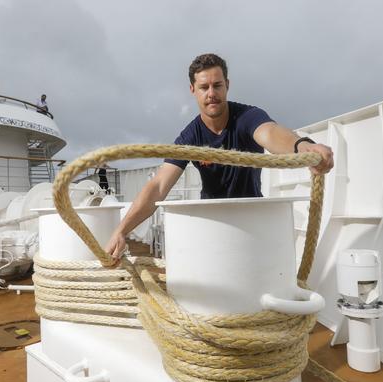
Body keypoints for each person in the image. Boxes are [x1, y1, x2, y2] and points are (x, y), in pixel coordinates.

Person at [105, 53, 334, 261]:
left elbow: (270, 132)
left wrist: (302, 146)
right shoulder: (190, 136)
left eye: (217, 85)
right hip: (212, 222)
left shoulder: (247, 117)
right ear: (193, 90)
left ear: (227, 86)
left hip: (252, 218)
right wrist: (121, 231)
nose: (212, 94)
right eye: (204, 87)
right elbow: (158, 185)